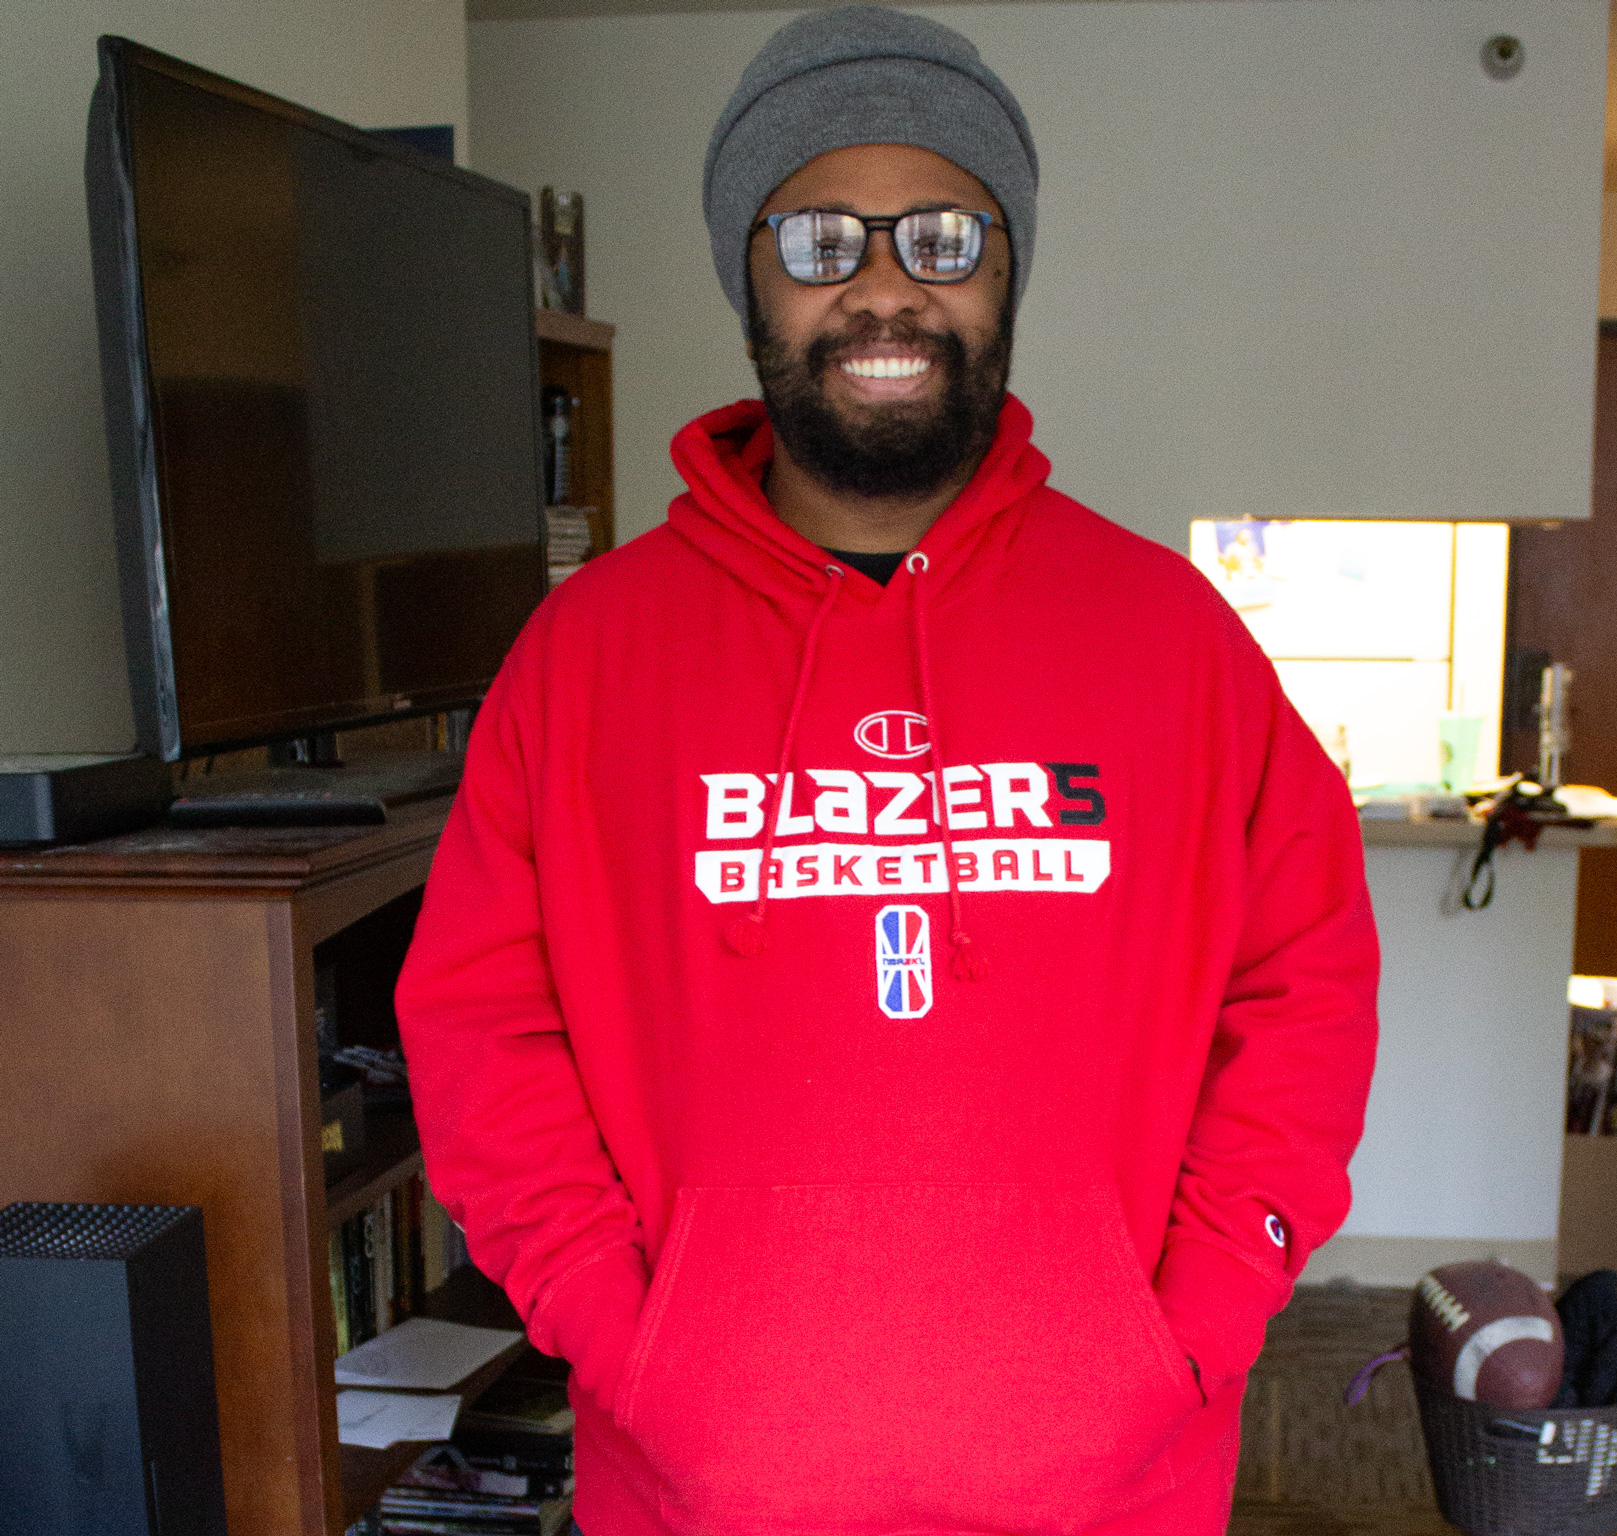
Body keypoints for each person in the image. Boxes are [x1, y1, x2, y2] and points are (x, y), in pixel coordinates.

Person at [395, 8, 1380, 1534]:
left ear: (1005, 272)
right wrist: (623, 1331)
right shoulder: (585, 656)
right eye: (816, 238)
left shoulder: (1173, 639)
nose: (880, 288)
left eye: (940, 234)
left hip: (1109, 1484)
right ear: (748, 282)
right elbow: (479, 1035)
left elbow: (1303, 994)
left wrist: (1202, 1313)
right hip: (701, 1488)